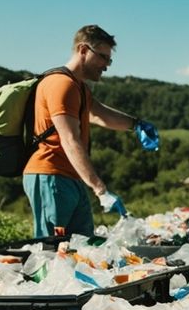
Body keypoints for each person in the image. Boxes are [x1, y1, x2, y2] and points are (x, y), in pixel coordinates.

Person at [22, 25, 159, 237]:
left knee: (82, 248)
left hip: (72, 178)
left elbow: (99, 114)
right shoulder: (61, 84)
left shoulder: (79, 87)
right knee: (53, 252)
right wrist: (100, 189)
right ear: (83, 50)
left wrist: (136, 124)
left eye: (109, 60)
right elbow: (69, 139)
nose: (106, 66)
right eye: (103, 57)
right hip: (51, 175)